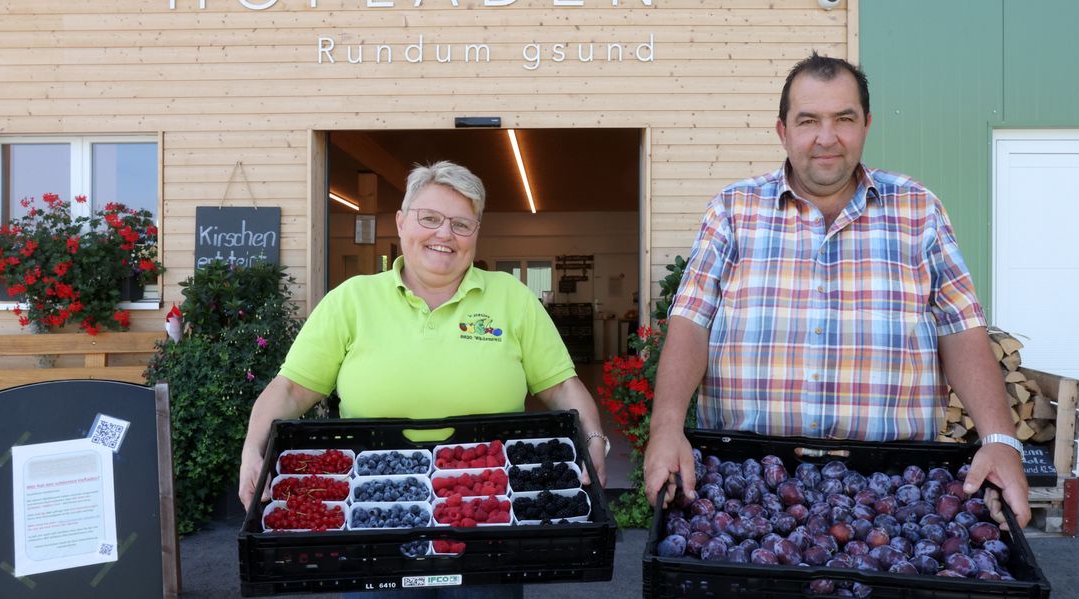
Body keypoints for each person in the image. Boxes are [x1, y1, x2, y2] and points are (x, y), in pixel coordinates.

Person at [642, 52, 1030, 530]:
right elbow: (690, 323)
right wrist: (666, 428)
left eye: (843, 118)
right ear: (783, 131)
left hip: (891, 498)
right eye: (808, 121)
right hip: (745, 485)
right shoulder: (733, 210)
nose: (826, 138)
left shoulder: (918, 210)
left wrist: (1000, 441)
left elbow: (961, 330)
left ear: (866, 124)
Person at [238, 160, 609, 514]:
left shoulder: (513, 298)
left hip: (487, 503)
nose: (444, 234)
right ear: (401, 223)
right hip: (373, 499)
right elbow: (291, 389)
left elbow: (562, 386)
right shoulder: (351, 300)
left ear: (476, 233)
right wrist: (253, 450)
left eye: (462, 224)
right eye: (429, 218)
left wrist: (593, 441)